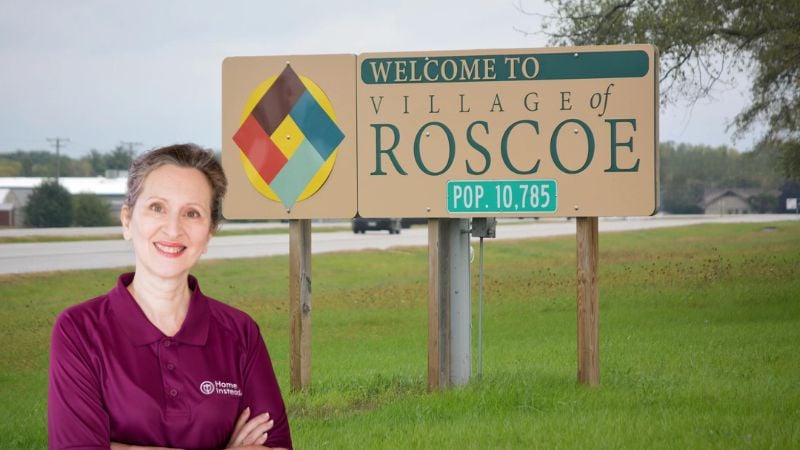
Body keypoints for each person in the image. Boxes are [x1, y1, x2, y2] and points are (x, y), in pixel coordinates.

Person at [48, 144, 292, 450]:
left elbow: (277, 445)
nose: (173, 229)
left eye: (192, 213)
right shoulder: (79, 330)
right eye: (157, 208)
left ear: (209, 234)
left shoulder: (240, 333)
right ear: (127, 220)